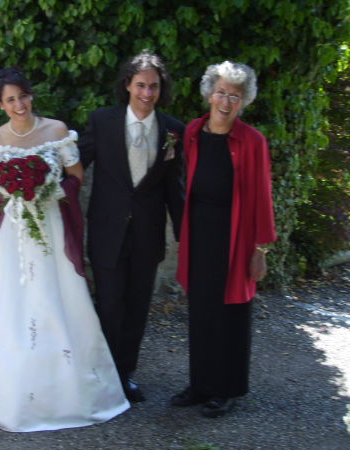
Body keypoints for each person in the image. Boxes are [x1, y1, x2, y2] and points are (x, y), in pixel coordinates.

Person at [0, 67, 129, 432]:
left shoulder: (56, 131)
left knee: (55, 296)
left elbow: (77, 175)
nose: (19, 105)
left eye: (23, 96)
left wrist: (47, 191)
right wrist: (9, 190)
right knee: (6, 300)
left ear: (31, 95)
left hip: (50, 226)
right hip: (11, 233)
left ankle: (70, 391)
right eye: (10, 100)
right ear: (1, 104)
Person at [171, 61, 276, 417]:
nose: (226, 101)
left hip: (236, 234)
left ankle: (226, 389)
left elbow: (262, 195)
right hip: (199, 231)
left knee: (231, 311)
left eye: (235, 95)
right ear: (209, 94)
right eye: (221, 92)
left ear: (244, 101)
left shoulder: (252, 140)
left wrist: (259, 249)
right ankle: (200, 385)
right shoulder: (193, 131)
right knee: (201, 308)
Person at [79, 51, 185, 402]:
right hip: (107, 231)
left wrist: (185, 235)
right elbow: (75, 166)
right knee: (109, 306)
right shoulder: (102, 121)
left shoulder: (173, 130)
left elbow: (174, 189)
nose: (147, 93)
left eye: (154, 86)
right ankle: (103, 374)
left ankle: (125, 375)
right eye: (140, 85)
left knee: (137, 308)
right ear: (127, 85)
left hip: (147, 235)